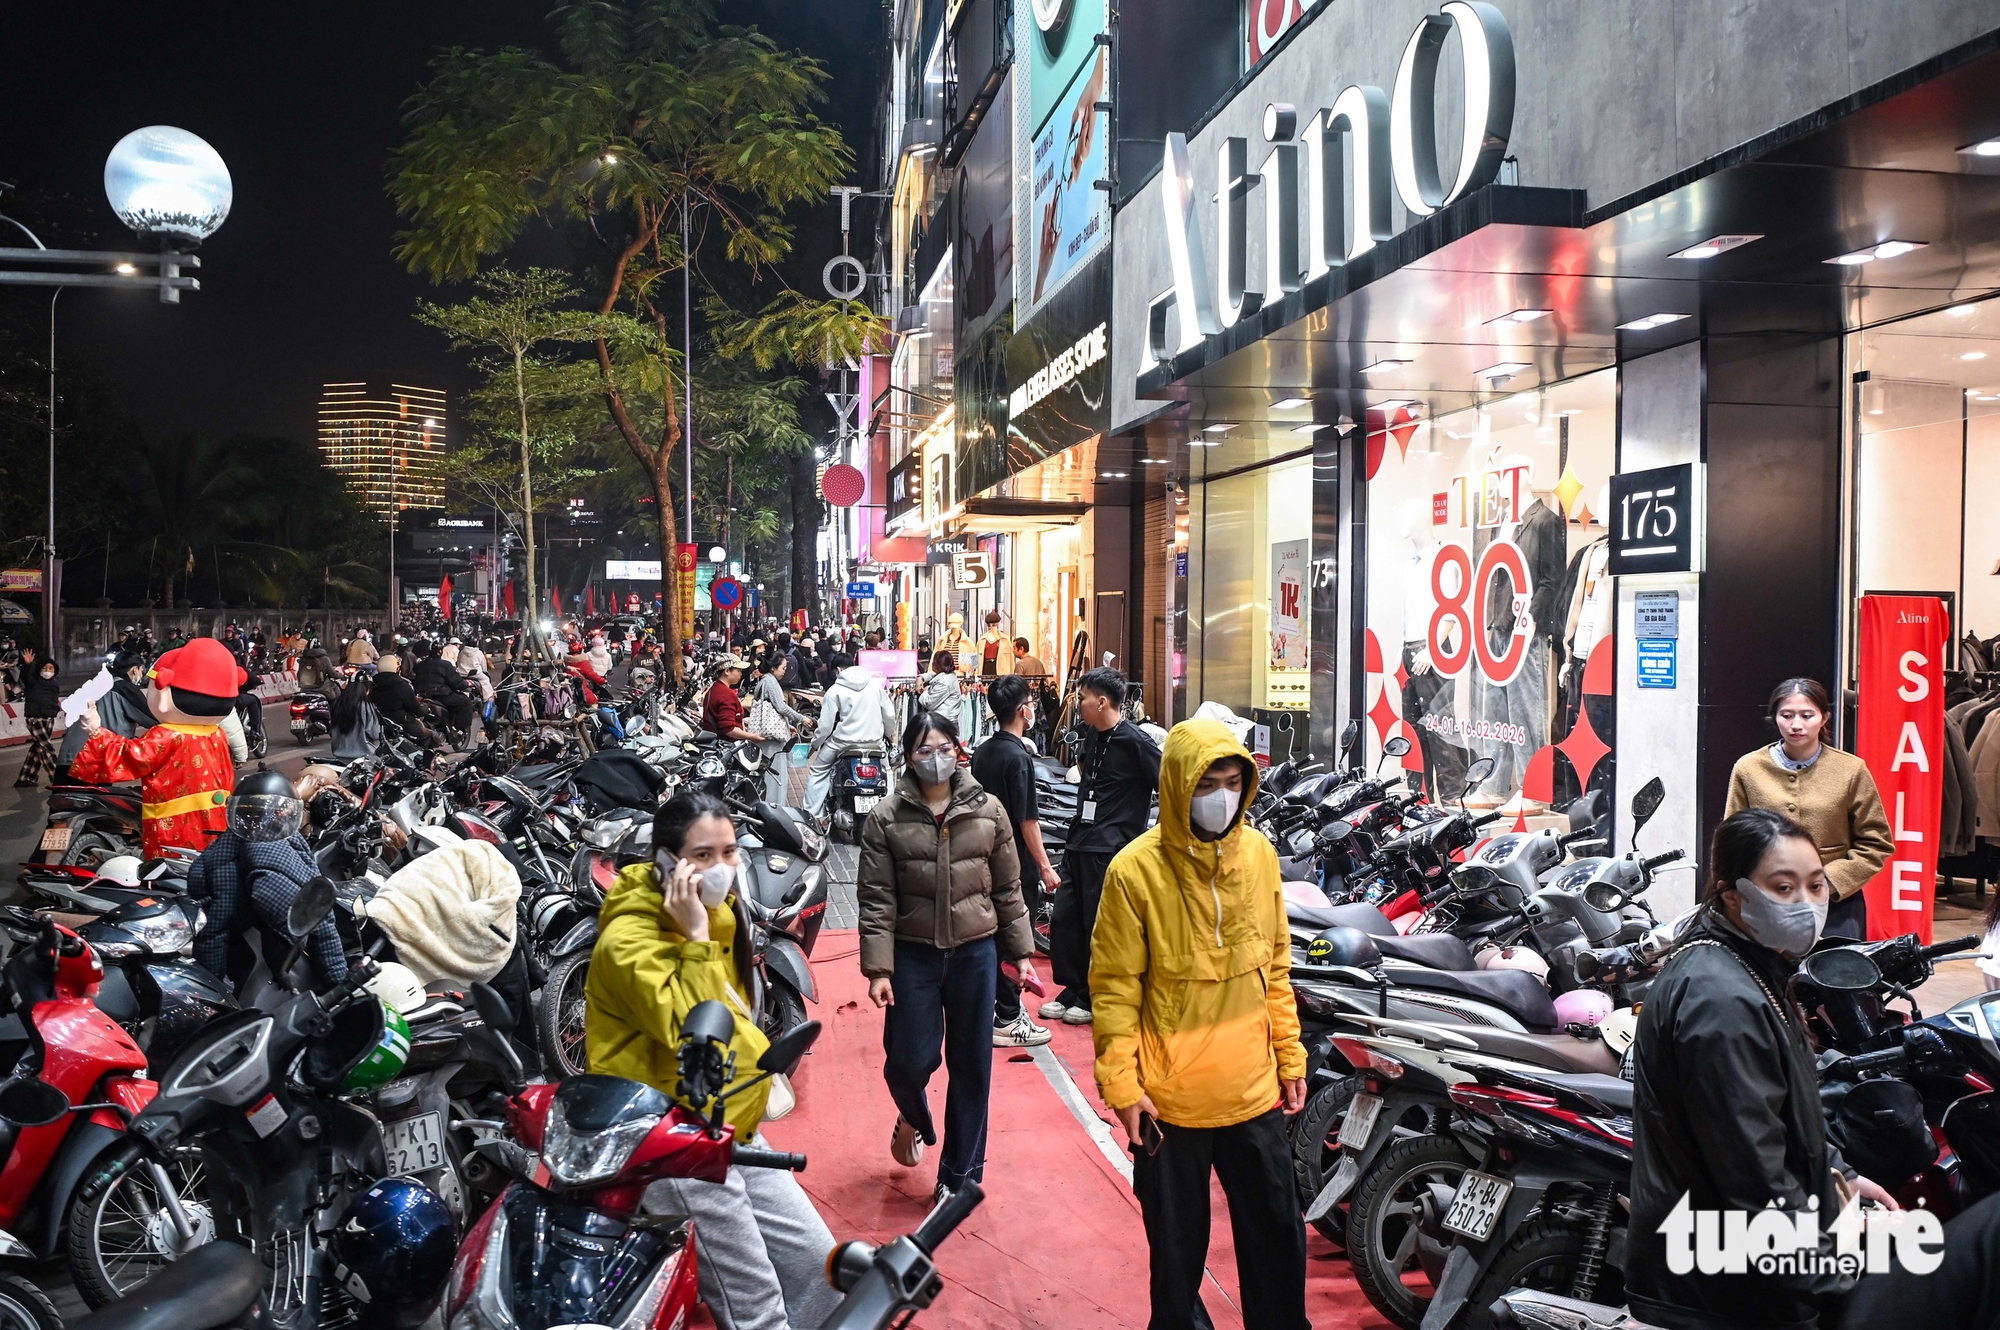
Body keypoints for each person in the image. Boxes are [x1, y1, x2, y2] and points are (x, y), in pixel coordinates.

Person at [1625, 807, 2000, 1328]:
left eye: (1816, 885)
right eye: (1783, 888)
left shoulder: (1753, 965)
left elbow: (1782, 1119)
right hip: (1724, 1288)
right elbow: (1752, 1173)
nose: (1806, 904)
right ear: (1733, 894)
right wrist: (1839, 1286)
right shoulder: (1721, 1001)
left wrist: (1839, 1177)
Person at [586, 791, 840, 1330]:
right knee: (757, 1305)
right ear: (664, 863)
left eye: (728, 852)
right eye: (703, 855)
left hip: (725, 1118)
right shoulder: (628, 940)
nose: (722, 868)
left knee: (820, 1265)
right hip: (666, 1136)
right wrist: (698, 940)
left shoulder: (716, 914)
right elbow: (696, 1035)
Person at [1089, 717, 1309, 1330]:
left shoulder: (1260, 856)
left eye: (1234, 782)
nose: (1222, 796)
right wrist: (1124, 1088)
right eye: (1207, 782)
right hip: (1170, 1105)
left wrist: (1290, 1058)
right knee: (1177, 1262)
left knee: (1278, 1250)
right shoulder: (1134, 873)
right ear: (1177, 785)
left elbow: (1277, 966)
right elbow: (1113, 990)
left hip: (1254, 1092)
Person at [857, 709, 1039, 1202]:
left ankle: (958, 1176)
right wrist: (878, 968)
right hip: (912, 958)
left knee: (972, 1065)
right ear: (908, 758)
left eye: (943, 749)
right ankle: (913, 1115)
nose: (936, 759)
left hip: (974, 956)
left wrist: (1020, 951)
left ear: (959, 750)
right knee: (907, 1063)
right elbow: (877, 898)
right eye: (923, 751)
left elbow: (1007, 887)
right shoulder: (885, 818)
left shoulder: (989, 811)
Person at [1724, 677, 1892, 940]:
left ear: (1824, 717)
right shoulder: (1748, 768)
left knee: (1836, 976)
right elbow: (1731, 841)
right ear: (1774, 718)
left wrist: (1827, 882)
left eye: (1807, 715)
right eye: (1787, 715)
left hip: (1836, 903)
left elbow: (1877, 843)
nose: (1796, 725)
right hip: (1766, 902)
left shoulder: (1850, 770)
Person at [1044, 667, 1159, 1025]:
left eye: (1082, 698)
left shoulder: (1137, 742)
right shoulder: (1091, 737)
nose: (1078, 704)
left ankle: (1095, 995)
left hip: (1111, 848)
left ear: (1102, 701)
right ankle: (1073, 988)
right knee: (1065, 919)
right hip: (1079, 840)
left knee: (1099, 923)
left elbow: (1168, 785)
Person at [188, 768, 347, 993]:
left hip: (237, 960)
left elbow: (212, 931)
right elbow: (318, 922)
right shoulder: (276, 852)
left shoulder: (217, 854)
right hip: (274, 972)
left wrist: (210, 991)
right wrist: (339, 983)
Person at [969, 675, 1056, 1048]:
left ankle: (992, 1009)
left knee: (990, 935)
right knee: (1014, 937)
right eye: (1031, 702)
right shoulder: (1018, 758)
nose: (1033, 708)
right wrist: (1046, 866)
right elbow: (1028, 820)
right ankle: (1007, 1016)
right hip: (1014, 863)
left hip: (983, 858)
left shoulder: (983, 752)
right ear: (1022, 710)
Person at [805, 661, 897, 815]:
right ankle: (890, 815)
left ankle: (812, 815)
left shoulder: (835, 690)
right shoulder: (875, 687)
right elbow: (889, 715)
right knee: (887, 771)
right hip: (874, 743)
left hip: (842, 744)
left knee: (818, 771)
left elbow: (825, 727)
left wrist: (815, 744)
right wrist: (889, 734)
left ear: (838, 670)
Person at [58, 651, 156, 771]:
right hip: (95, 761)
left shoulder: (93, 684)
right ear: (135, 669)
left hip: (66, 758)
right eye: (142, 671)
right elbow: (153, 718)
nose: (141, 675)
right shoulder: (124, 688)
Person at [752, 654, 808, 806]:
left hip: (768, 738)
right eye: (783, 668)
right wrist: (801, 718)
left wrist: (787, 725)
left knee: (771, 775)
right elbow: (781, 707)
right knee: (775, 777)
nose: (785, 671)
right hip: (771, 741)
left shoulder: (765, 681)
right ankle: (774, 808)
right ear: (772, 668)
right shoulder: (770, 682)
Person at [411, 638, 477, 747]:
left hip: (423, 696)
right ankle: (461, 730)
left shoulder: (420, 665)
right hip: (441, 696)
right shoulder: (445, 665)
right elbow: (456, 682)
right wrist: (466, 685)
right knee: (465, 702)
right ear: (440, 651)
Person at [16, 654, 60, 787]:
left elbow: (54, 701)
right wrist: (28, 665)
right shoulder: (33, 680)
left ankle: (26, 777)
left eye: (51, 668)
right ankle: (57, 779)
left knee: (37, 748)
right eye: (45, 668)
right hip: (35, 717)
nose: (48, 670)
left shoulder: (54, 684)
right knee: (47, 748)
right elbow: (24, 677)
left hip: (49, 718)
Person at [369, 655, 432, 743]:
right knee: (426, 734)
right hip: (399, 724)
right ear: (396, 668)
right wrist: (425, 709)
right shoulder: (402, 685)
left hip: (375, 725)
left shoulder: (370, 685)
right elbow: (415, 709)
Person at [702, 656, 760, 742]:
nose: (741, 673)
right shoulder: (726, 694)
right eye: (738, 670)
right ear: (727, 671)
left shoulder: (714, 688)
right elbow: (728, 729)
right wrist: (751, 736)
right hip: (725, 745)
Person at [328, 672, 381, 762]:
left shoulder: (338, 704)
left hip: (339, 757)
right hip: (364, 758)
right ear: (366, 689)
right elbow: (375, 733)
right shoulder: (366, 706)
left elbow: (331, 731)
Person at [917, 649, 962, 726]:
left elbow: (929, 703)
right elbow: (934, 676)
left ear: (937, 665)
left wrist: (924, 691)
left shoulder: (944, 682)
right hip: (944, 721)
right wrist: (921, 677)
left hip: (943, 724)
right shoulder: (948, 676)